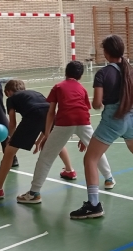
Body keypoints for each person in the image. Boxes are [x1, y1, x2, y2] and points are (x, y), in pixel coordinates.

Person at [68, 34, 133, 219]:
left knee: (90, 159)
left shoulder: (102, 74)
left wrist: (90, 100)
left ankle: (93, 205)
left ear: (106, 52)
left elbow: (97, 104)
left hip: (114, 119)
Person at [15, 61, 116, 207]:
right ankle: (109, 179)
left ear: (66, 73)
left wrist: (47, 135)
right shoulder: (82, 89)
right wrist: (84, 137)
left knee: (46, 157)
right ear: (80, 76)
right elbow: (84, 111)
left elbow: (51, 113)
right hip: (84, 122)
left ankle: (34, 193)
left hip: (64, 123)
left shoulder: (58, 86)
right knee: (96, 152)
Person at [0, 79, 76, 200]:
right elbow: (46, 114)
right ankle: (70, 170)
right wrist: (39, 140)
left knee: (9, 152)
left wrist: (10, 138)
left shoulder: (11, 99)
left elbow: (12, 122)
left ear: (8, 92)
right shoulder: (36, 93)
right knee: (55, 143)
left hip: (33, 115)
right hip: (50, 113)